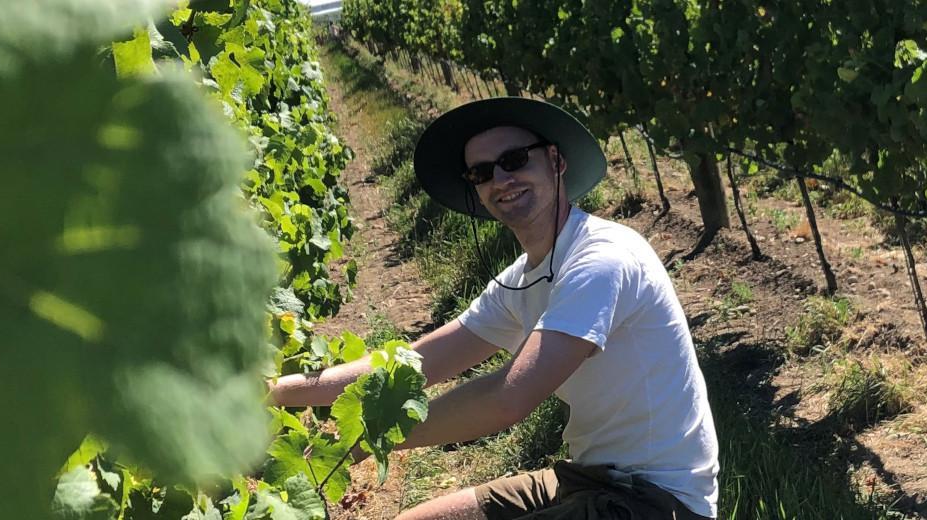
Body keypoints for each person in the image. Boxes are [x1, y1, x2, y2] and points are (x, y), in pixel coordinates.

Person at [268, 97, 718, 520]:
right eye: (481, 173)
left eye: (515, 160)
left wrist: (373, 438)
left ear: (556, 162)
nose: (501, 180)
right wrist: (278, 390)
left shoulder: (604, 258)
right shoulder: (523, 278)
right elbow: (423, 362)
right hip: (590, 476)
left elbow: (508, 399)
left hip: (657, 500)